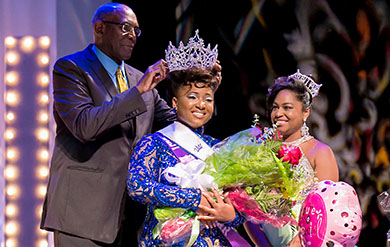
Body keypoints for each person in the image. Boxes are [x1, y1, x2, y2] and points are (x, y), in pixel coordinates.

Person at [40, 3, 176, 247]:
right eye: (125, 27)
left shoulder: (138, 79)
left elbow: (177, 127)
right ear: (100, 29)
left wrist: (201, 92)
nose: (133, 36)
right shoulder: (71, 69)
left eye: (136, 30)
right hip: (82, 215)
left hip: (131, 216)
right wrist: (137, 92)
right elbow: (84, 126)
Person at [127, 31, 248, 246]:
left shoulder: (218, 147)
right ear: (174, 102)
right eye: (192, 97)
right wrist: (193, 198)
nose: (201, 105)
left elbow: (240, 206)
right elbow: (137, 185)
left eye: (208, 99)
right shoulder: (154, 143)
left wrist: (231, 215)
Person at [244, 70, 339, 247]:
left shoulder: (320, 152)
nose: (278, 113)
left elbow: (328, 210)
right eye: (274, 107)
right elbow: (248, 211)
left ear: (306, 113)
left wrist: (298, 243)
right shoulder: (260, 153)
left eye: (287, 107)